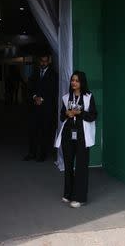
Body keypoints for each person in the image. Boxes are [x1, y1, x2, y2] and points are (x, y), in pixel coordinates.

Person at [54, 71, 97, 208]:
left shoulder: (88, 97)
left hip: (82, 135)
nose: (74, 83)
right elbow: (61, 117)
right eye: (72, 80)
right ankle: (68, 194)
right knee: (68, 165)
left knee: (81, 166)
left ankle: (80, 198)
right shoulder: (66, 97)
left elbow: (93, 116)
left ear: (82, 82)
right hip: (68, 134)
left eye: (77, 81)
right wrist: (66, 113)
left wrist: (80, 113)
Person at [24, 53, 58, 162]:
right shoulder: (34, 74)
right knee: (32, 131)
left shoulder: (54, 75)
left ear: (49, 61)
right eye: (41, 61)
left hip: (46, 109)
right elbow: (29, 88)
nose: (43, 63)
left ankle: (42, 155)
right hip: (34, 108)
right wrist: (35, 97)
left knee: (45, 132)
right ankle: (32, 153)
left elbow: (53, 91)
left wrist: (42, 99)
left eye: (45, 61)